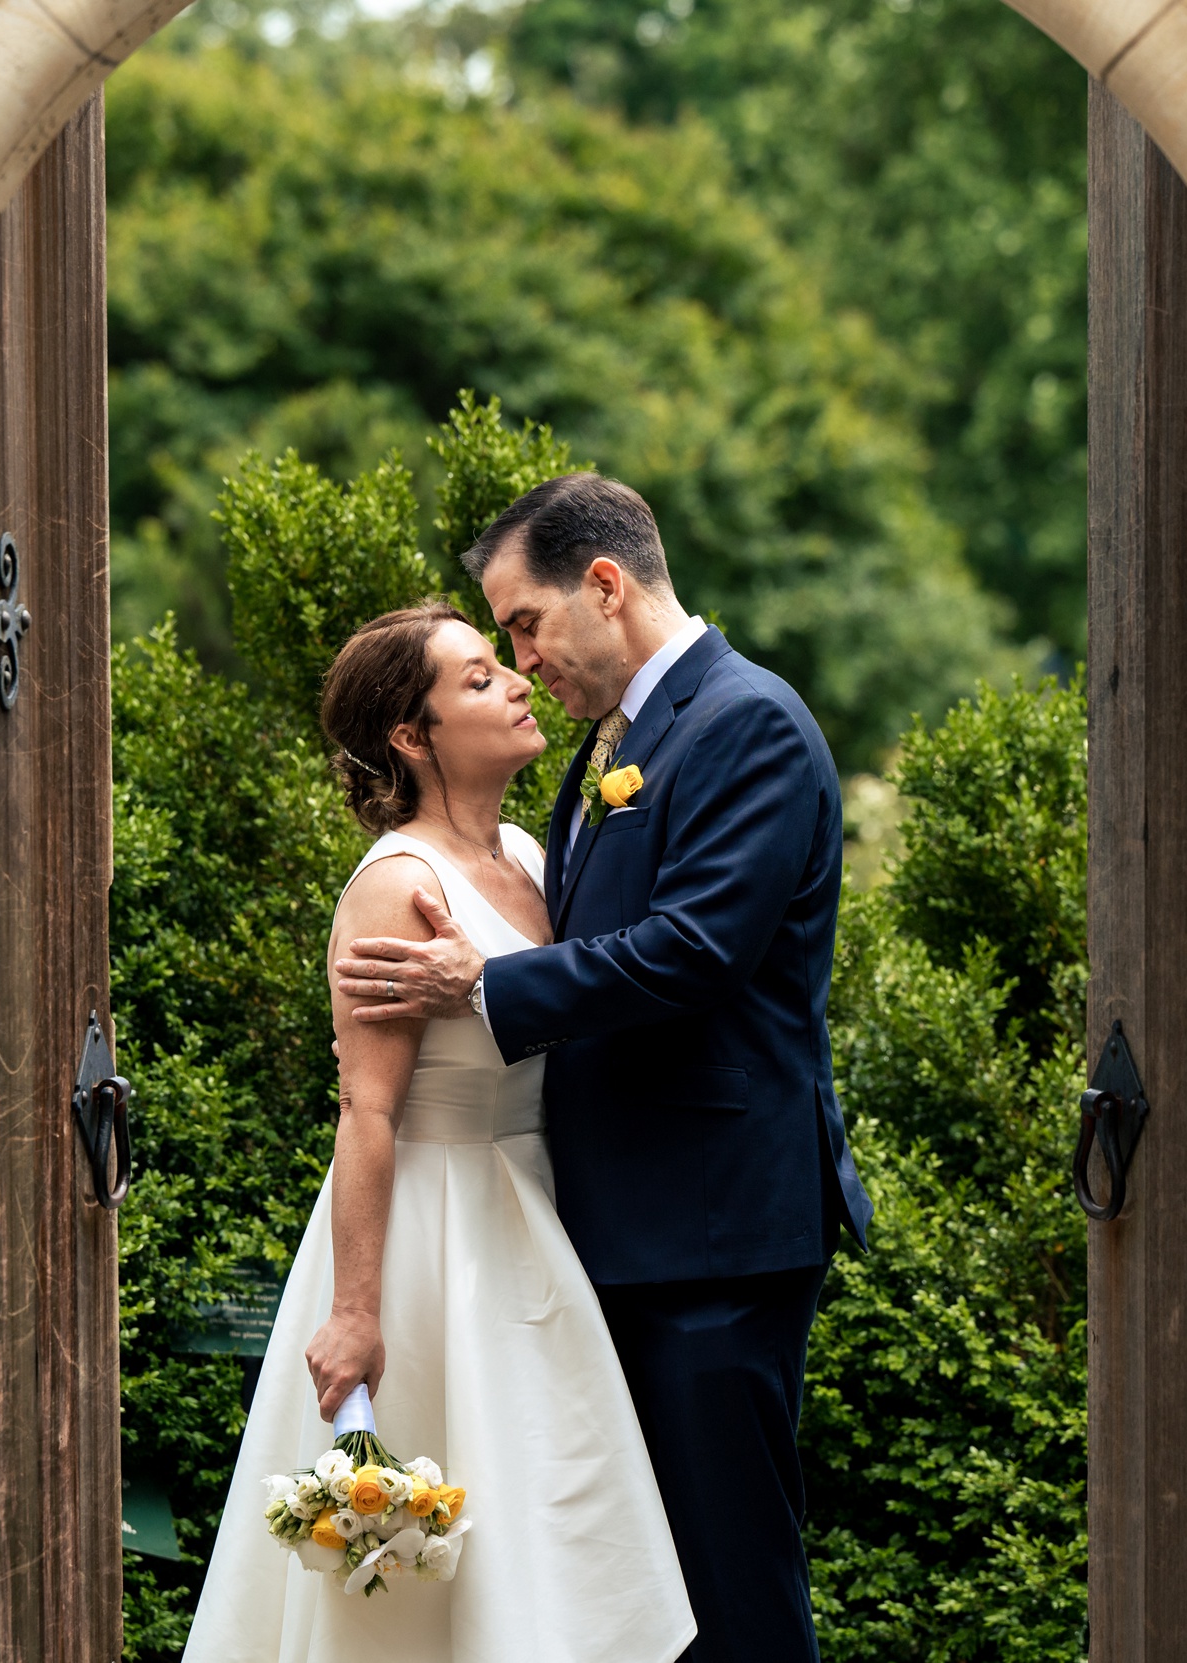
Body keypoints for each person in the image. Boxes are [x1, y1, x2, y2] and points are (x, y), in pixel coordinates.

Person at [332, 474, 874, 1663]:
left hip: (712, 1232)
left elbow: (696, 949)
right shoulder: (606, 752)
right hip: (609, 1234)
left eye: (523, 622)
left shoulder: (747, 722)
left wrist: (479, 987)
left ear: (607, 584)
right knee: (638, 1591)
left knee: (731, 1579)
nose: (522, 659)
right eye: (495, 647)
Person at [183, 599, 697, 1663]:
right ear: (411, 738)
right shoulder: (397, 885)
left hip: (532, 1215)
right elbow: (367, 1107)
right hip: (433, 1239)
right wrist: (357, 1312)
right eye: (475, 678)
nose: (515, 681)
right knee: (420, 1577)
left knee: (547, 1529)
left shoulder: (527, 848)